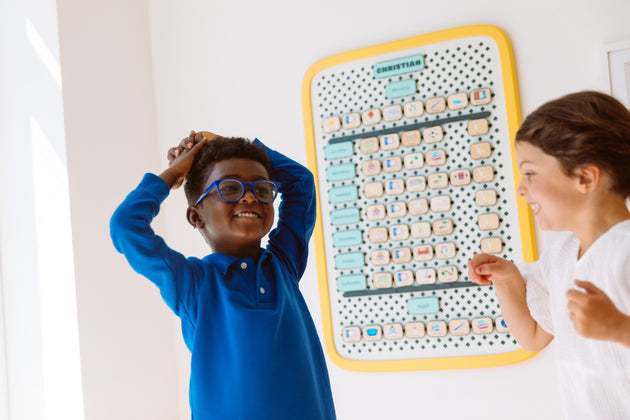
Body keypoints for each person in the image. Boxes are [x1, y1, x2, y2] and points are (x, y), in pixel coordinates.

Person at [110, 131, 336, 420]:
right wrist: (173, 173)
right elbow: (126, 226)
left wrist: (228, 144)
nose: (252, 196)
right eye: (230, 188)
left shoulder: (284, 265)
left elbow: (300, 182)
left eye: (263, 189)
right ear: (196, 216)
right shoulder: (192, 285)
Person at [468, 91, 630, 419]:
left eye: (530, 173)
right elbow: (533, 335)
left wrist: (617, 328)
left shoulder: (624, 252)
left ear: (585, 177)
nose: (520, 188)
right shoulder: (563, 254)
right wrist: (508, 280)